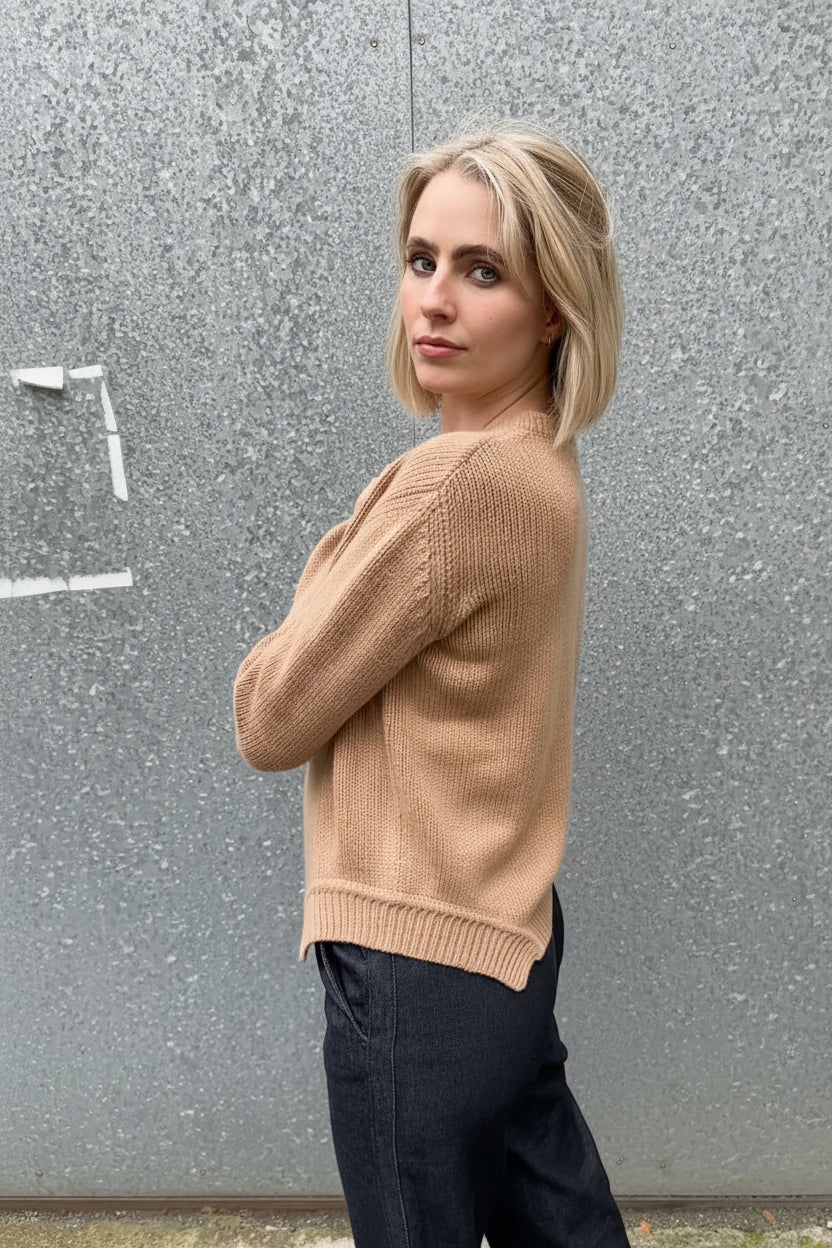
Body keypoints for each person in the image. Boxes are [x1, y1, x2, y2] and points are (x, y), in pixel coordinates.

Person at [233, 114, 628, 1247]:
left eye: (482, 270)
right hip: (504, 942)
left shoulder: (451, 489)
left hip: (415, 965)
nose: (434, 301)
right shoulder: (538, 463)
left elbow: (269, 716)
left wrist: (343, 543)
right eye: (420, 261)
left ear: (556, 307)